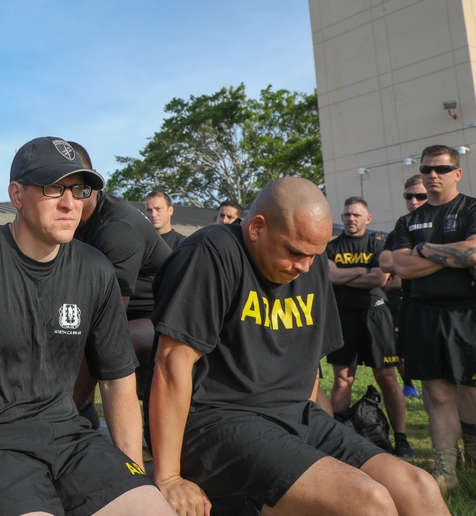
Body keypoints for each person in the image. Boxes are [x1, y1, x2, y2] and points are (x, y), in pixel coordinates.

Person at [149, 177, 445, 516]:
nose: (304, 266)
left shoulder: (310, 260)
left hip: (296, 416)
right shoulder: (212, 252)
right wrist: (169, 477)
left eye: (314, 255)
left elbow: (310, 364)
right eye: (294, 252)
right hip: (220, 422)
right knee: (368, 502)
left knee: (419, 488)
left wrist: (316, 444)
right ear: (258, 227)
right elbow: (171, 362)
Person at [0, 137, 174, 516]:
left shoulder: (95, 269)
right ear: (17, 194)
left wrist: (131, 475)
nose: (69, 203)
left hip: (70, 438)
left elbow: (117, 380)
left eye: (79, 189)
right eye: (53, 187)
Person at [386, 145, 476, 492]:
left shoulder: (470, 208)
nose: (431, 175)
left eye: (440, 169)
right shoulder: (408, 221)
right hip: (422, 314)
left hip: (466, 312)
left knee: (470, 390)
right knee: (437, 394)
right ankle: (446, 471)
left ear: (457, 172)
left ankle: (472, 456)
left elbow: (473, 253)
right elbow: (400, 265)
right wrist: (452, 253)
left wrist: (423, 250)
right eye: (426, 169)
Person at [67, 142, 172, 428]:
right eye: (59, 186)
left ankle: (69, 414)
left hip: (161, 318)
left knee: (103, 337)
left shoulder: (116, 228)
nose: (69, 197)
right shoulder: (65, 222)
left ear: (94, 181)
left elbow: (107, 320)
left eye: (79, 186)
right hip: (123, 313)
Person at [326, 196, 413, 458]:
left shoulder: (378, 244)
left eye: (356, 215)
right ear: (341, 218)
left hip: (376, 316)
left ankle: (402, 438)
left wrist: (345, 275)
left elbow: (380, 277)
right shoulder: (330, 247)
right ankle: (338, 436)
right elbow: (329, 277)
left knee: (387, 378)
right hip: (342, 317)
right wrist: (363, 271)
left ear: (367, 218)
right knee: (342, 380)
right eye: (346, 215)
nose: (351, 219)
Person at [378, 175, 426, 399]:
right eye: (408, 196)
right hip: (410, 303)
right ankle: (409, 384)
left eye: (420, 196)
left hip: (454, 305)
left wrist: (407, 259)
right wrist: (432, 254)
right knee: (427, 375)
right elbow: (387, 263)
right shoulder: (402, 226)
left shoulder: (451, 220)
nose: (413, 201)